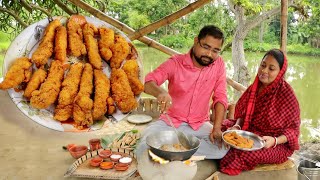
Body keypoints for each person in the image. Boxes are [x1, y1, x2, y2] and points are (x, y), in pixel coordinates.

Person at [136, 25, 229, 163]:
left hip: (200, 125)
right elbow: (147, 81)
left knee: (222, 149)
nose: (209, 54)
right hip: (170, 123)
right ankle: (182, 150)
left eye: (215, 51)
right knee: (142, 147)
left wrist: (216, 128)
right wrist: (161, 92)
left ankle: (171, 152)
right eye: (206, 47)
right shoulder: (176, 62)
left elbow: (221, 96)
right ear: (196, 41)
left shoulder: (219, 64)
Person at [220, 49, 300, 175]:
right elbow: (243, 114)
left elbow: (293, 131)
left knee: (246, 154)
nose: (264, 71)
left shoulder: (287, 95)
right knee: (221, 129)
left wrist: (274, 141)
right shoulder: (254, 88)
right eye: (263, 65)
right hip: (250, 130)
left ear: (280, 72)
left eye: (271, 68)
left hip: (275, 143)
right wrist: (237, 125)